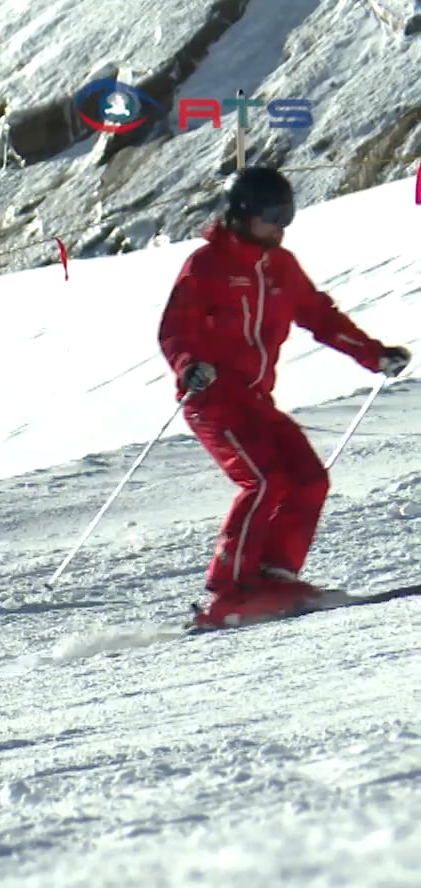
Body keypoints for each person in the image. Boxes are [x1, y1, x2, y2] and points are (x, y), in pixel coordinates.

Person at [158, 166, 409, 628]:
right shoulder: (207, 265)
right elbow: (176, 328)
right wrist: (190, 364)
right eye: (272, 216)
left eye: (287, 216)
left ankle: (274, 575)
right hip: (211, 398)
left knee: (308, 477)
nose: (280, 226)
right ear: (241, 215)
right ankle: (227, 590)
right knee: (264, 480)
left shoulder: (281, 266)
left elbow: (320, 315)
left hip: (255, 399)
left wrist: (373, 355)